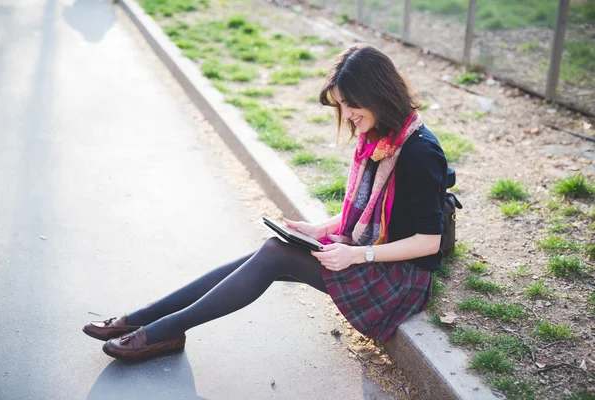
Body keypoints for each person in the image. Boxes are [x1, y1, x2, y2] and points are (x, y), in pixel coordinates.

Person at [83, 44, 448, 360]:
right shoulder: (379, 136)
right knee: (275, 248)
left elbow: (428, 243)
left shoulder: (419, 151)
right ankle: (146, 319)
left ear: (378, 93)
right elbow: (377, 215)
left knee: (276, 253)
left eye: (353, 104)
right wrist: (319, 228)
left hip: (402, 280)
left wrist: (356, 254)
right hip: (373, 256)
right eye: (342, 106)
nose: (348, 115)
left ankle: (161, 330)